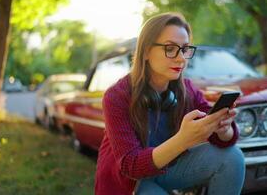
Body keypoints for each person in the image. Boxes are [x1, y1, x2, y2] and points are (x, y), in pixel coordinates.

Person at [95, 12, 245, 195]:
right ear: (146, 51)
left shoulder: (187, 89)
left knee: (233, 157)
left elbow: (219, 137)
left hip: (168, 170)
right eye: (170, 48)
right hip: (131, 182)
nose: (181, 58)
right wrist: (183, 140)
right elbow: (130, 166)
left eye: (184, 49)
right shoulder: (116, 96)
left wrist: (224, 129)